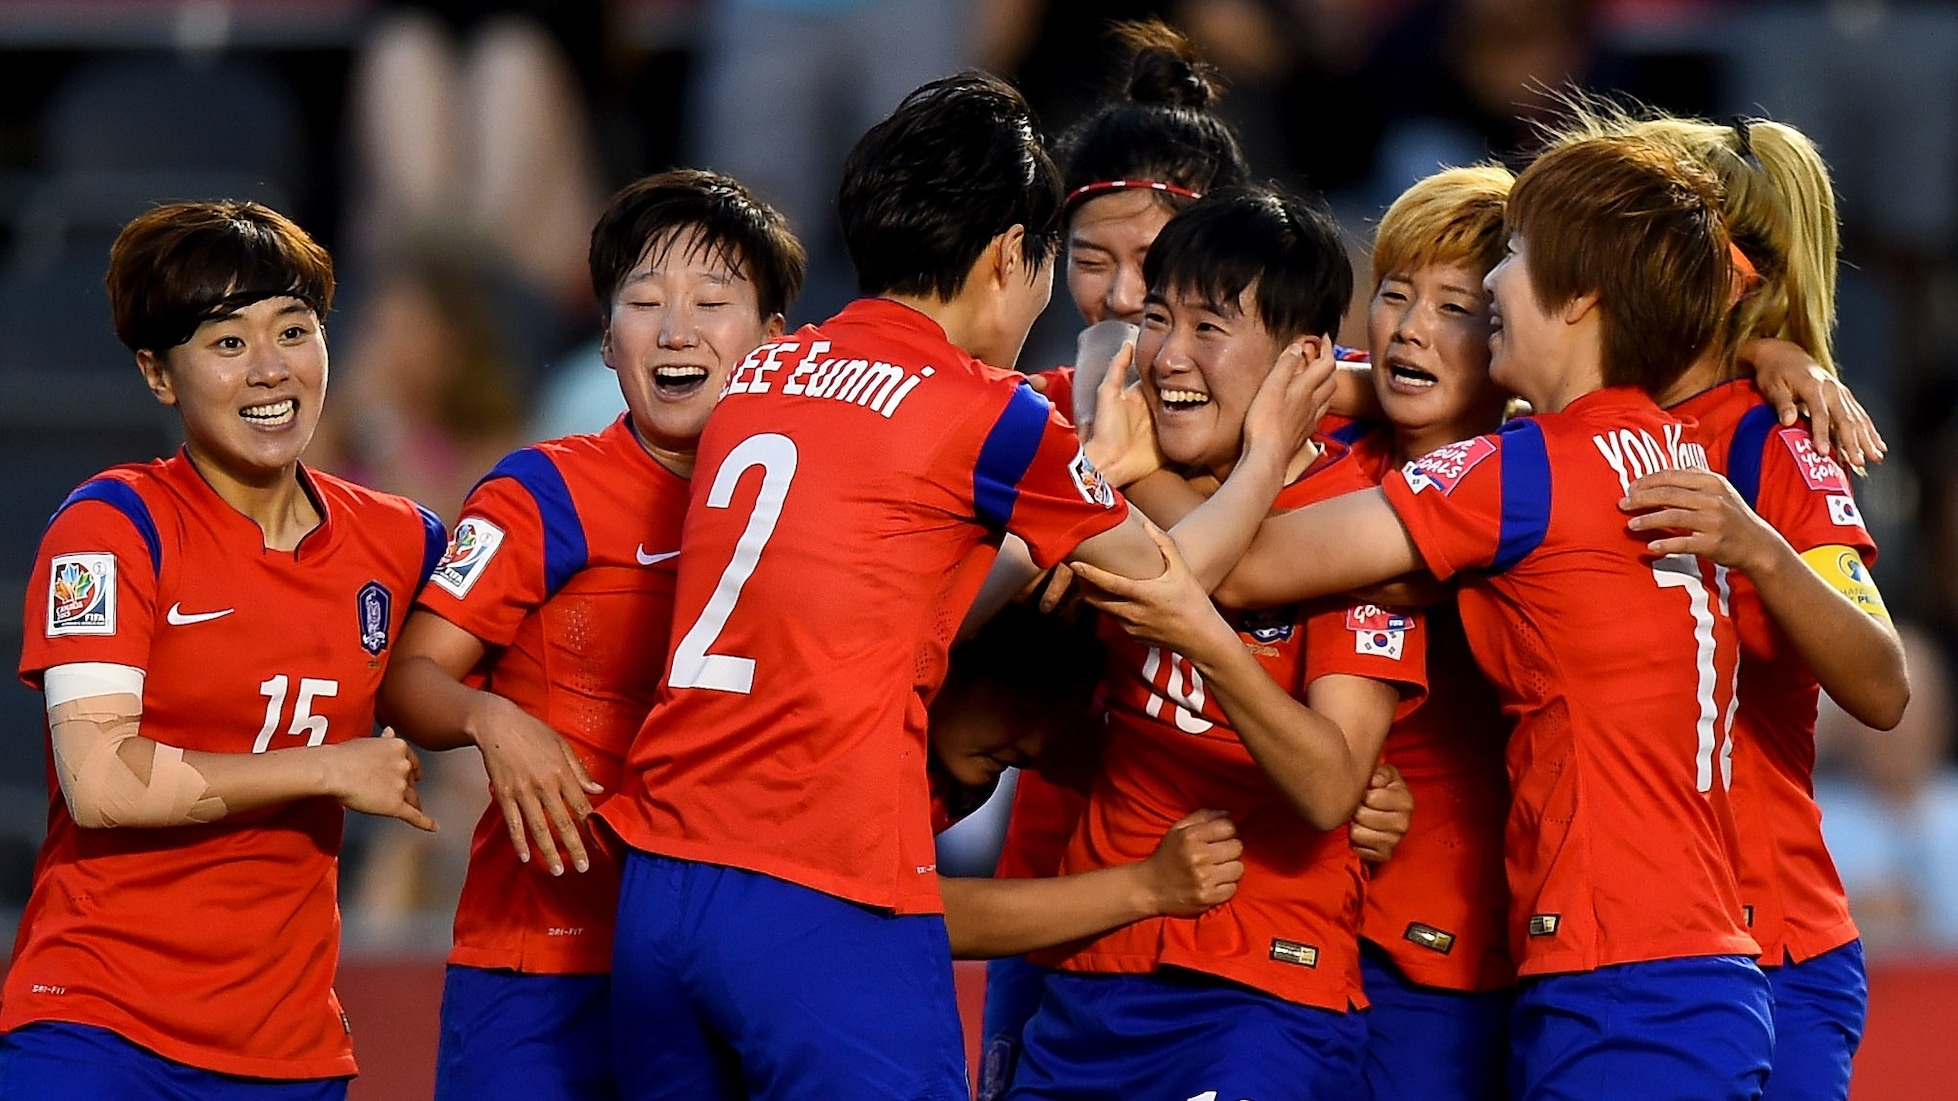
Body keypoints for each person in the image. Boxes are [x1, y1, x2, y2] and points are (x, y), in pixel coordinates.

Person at [595, 72, 1324, 1100]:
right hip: (823, 883)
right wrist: (1253, 462)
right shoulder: (986, 412)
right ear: (1004, 259)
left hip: (661, 880)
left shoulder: (762, 376)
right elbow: (1164, 586)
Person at [1098, 134, 1771, 1097]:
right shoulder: (1663, 446)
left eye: (1513, 258)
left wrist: (1136, 473)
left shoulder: (1520, 468)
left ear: (1581, 295)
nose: (1496, 278)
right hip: (1661, 958)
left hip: (1614, 968)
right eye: (1401, 293)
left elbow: (1249, 571)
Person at [376, 169, 806, 1101]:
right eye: (644, 302)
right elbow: (410, 677)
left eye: (713, 301)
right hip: (543, 968)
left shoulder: (812, 506)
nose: (677, 328)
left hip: (721, 972)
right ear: (608, 342)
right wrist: (495, 721)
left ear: (775, 342)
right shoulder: (543, 492)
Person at [0, 201, 442, 1099]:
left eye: (293, 329)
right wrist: (326, 768)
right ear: (158, 375)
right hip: (97, 1028)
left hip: (291, 1050)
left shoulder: (402, 543)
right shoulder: (112, 527)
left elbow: (484, 681)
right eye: (226, 343)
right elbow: (101, 782)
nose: (271, 367)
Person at [1010, 185, 1427, 1101]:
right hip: (1089, 972)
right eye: (1159, 320)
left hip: (1259, 990)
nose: (1169, 356)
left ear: (1303, 361)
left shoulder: (1358, 521)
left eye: (1210, 326)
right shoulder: (1095, 452)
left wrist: (1204, 635)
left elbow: (1328, 786)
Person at [1562, 107, 1909, 1101]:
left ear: (1715, 275)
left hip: (1766, 947)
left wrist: (1754, 544)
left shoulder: (1773, 441)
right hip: (1614, 942)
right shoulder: (1573, 418)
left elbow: (1882, 687)